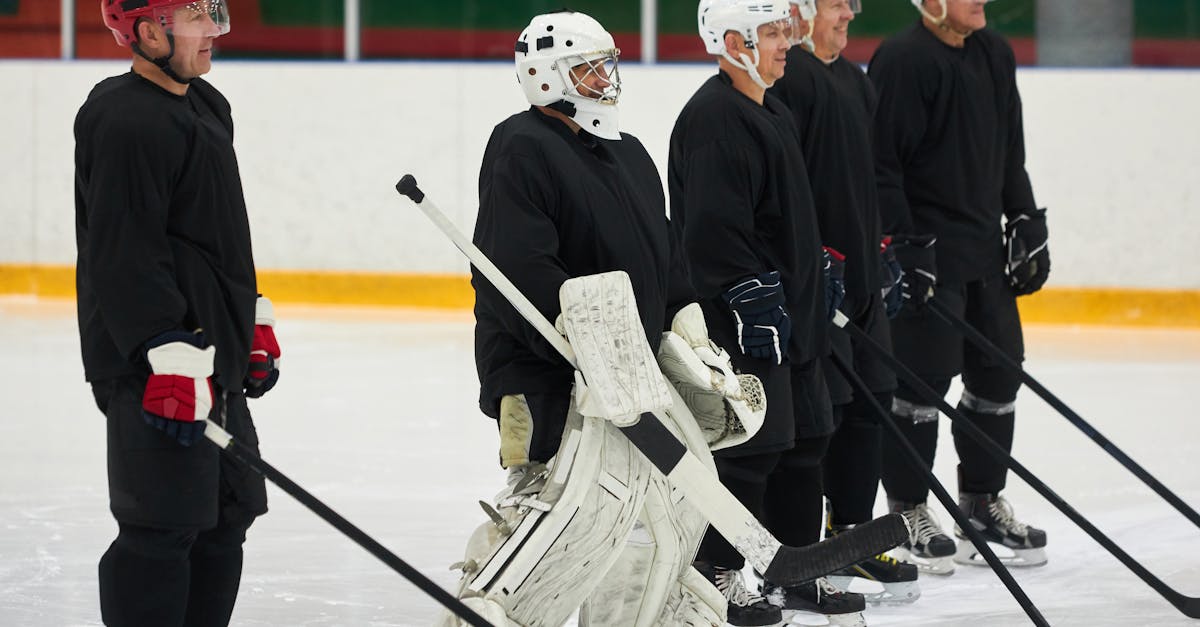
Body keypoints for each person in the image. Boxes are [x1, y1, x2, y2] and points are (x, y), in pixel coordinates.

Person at [442, 10, 752, 626]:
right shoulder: (521, 145)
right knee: (555, 505)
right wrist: (583, 341)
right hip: (543, 375)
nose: (605, 79)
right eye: (587, 68)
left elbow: (661, 253)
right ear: (544, 77)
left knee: (646, 504)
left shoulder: (629, 154)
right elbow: (518, 268)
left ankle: (647, 609)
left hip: (630, 378)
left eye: (607, 64)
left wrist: (684, 322)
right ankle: (492, 606)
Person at [75, 1, 279, 625]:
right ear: (146, 32)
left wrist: (251, 322)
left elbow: (220, 237)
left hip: (212, 349)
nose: (212, 31)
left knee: (227, 514)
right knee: (161, 525)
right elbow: (123, 250)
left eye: (211, 13)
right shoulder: (121, 117)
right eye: (194, 18)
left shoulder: (208, 106)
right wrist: (165, 352)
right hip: (152, 360)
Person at [671, 1, 860, 624]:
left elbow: (788, 219)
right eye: (774, 33)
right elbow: (710, 232)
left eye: (785, 30)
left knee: (809, 437)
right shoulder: (714, 120)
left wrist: (817, 273)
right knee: (752, 451)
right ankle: (718, 571)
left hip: (793, 315)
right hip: (748, 321)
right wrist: (749, 295)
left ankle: (797, 567)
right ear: (733, 41)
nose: (788, 42)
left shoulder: (769, 108)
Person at [870, 0, 1051, 575]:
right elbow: (882, 164)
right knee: (920, 388)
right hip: (927, 255)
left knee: (999, 375)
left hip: (983, 254)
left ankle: (979, 502)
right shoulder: (901, 61)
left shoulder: (995, 53)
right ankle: (908, 513)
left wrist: (1024, 218)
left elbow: (1008, 151)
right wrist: (901, 243)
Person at [769, 0, 920, 605]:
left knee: (870, 402)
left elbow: (870, 176)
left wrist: (883, 244)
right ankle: (806, 551)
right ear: (802, 12)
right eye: (836, 4)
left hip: (860, 281)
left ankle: (853, 536)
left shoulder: (854, 81)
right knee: (822, 415)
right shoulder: (795, 79)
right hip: (819, 281)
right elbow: (793, 182)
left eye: (851, 5)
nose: (848, 14)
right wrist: (815, 261)